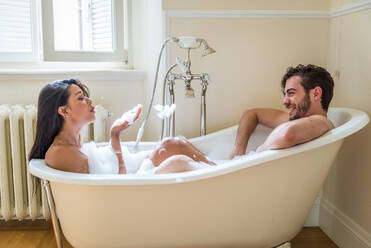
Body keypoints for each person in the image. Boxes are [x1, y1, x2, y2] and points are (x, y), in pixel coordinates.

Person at [28, 79, 214, 174]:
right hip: (129, 193)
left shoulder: (75, 142)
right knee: (178, 161)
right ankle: (218, 178)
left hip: (129, 179)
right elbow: (113, 189)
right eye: (80, 98)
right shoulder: (60, 153)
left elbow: (109, 171)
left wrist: (115, 136)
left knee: (173, 143)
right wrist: (115, 136)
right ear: (64, 111)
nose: (89, 100)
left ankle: (220, 169)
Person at [230, 64, 335, 159]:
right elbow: (252, 114)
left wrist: (251, 158)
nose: (284, 101)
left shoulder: (322, 122)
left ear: (316, 94)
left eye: (291, 93)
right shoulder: (295, 120)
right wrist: (238, 151)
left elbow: (287, 133)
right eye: (285, 95)